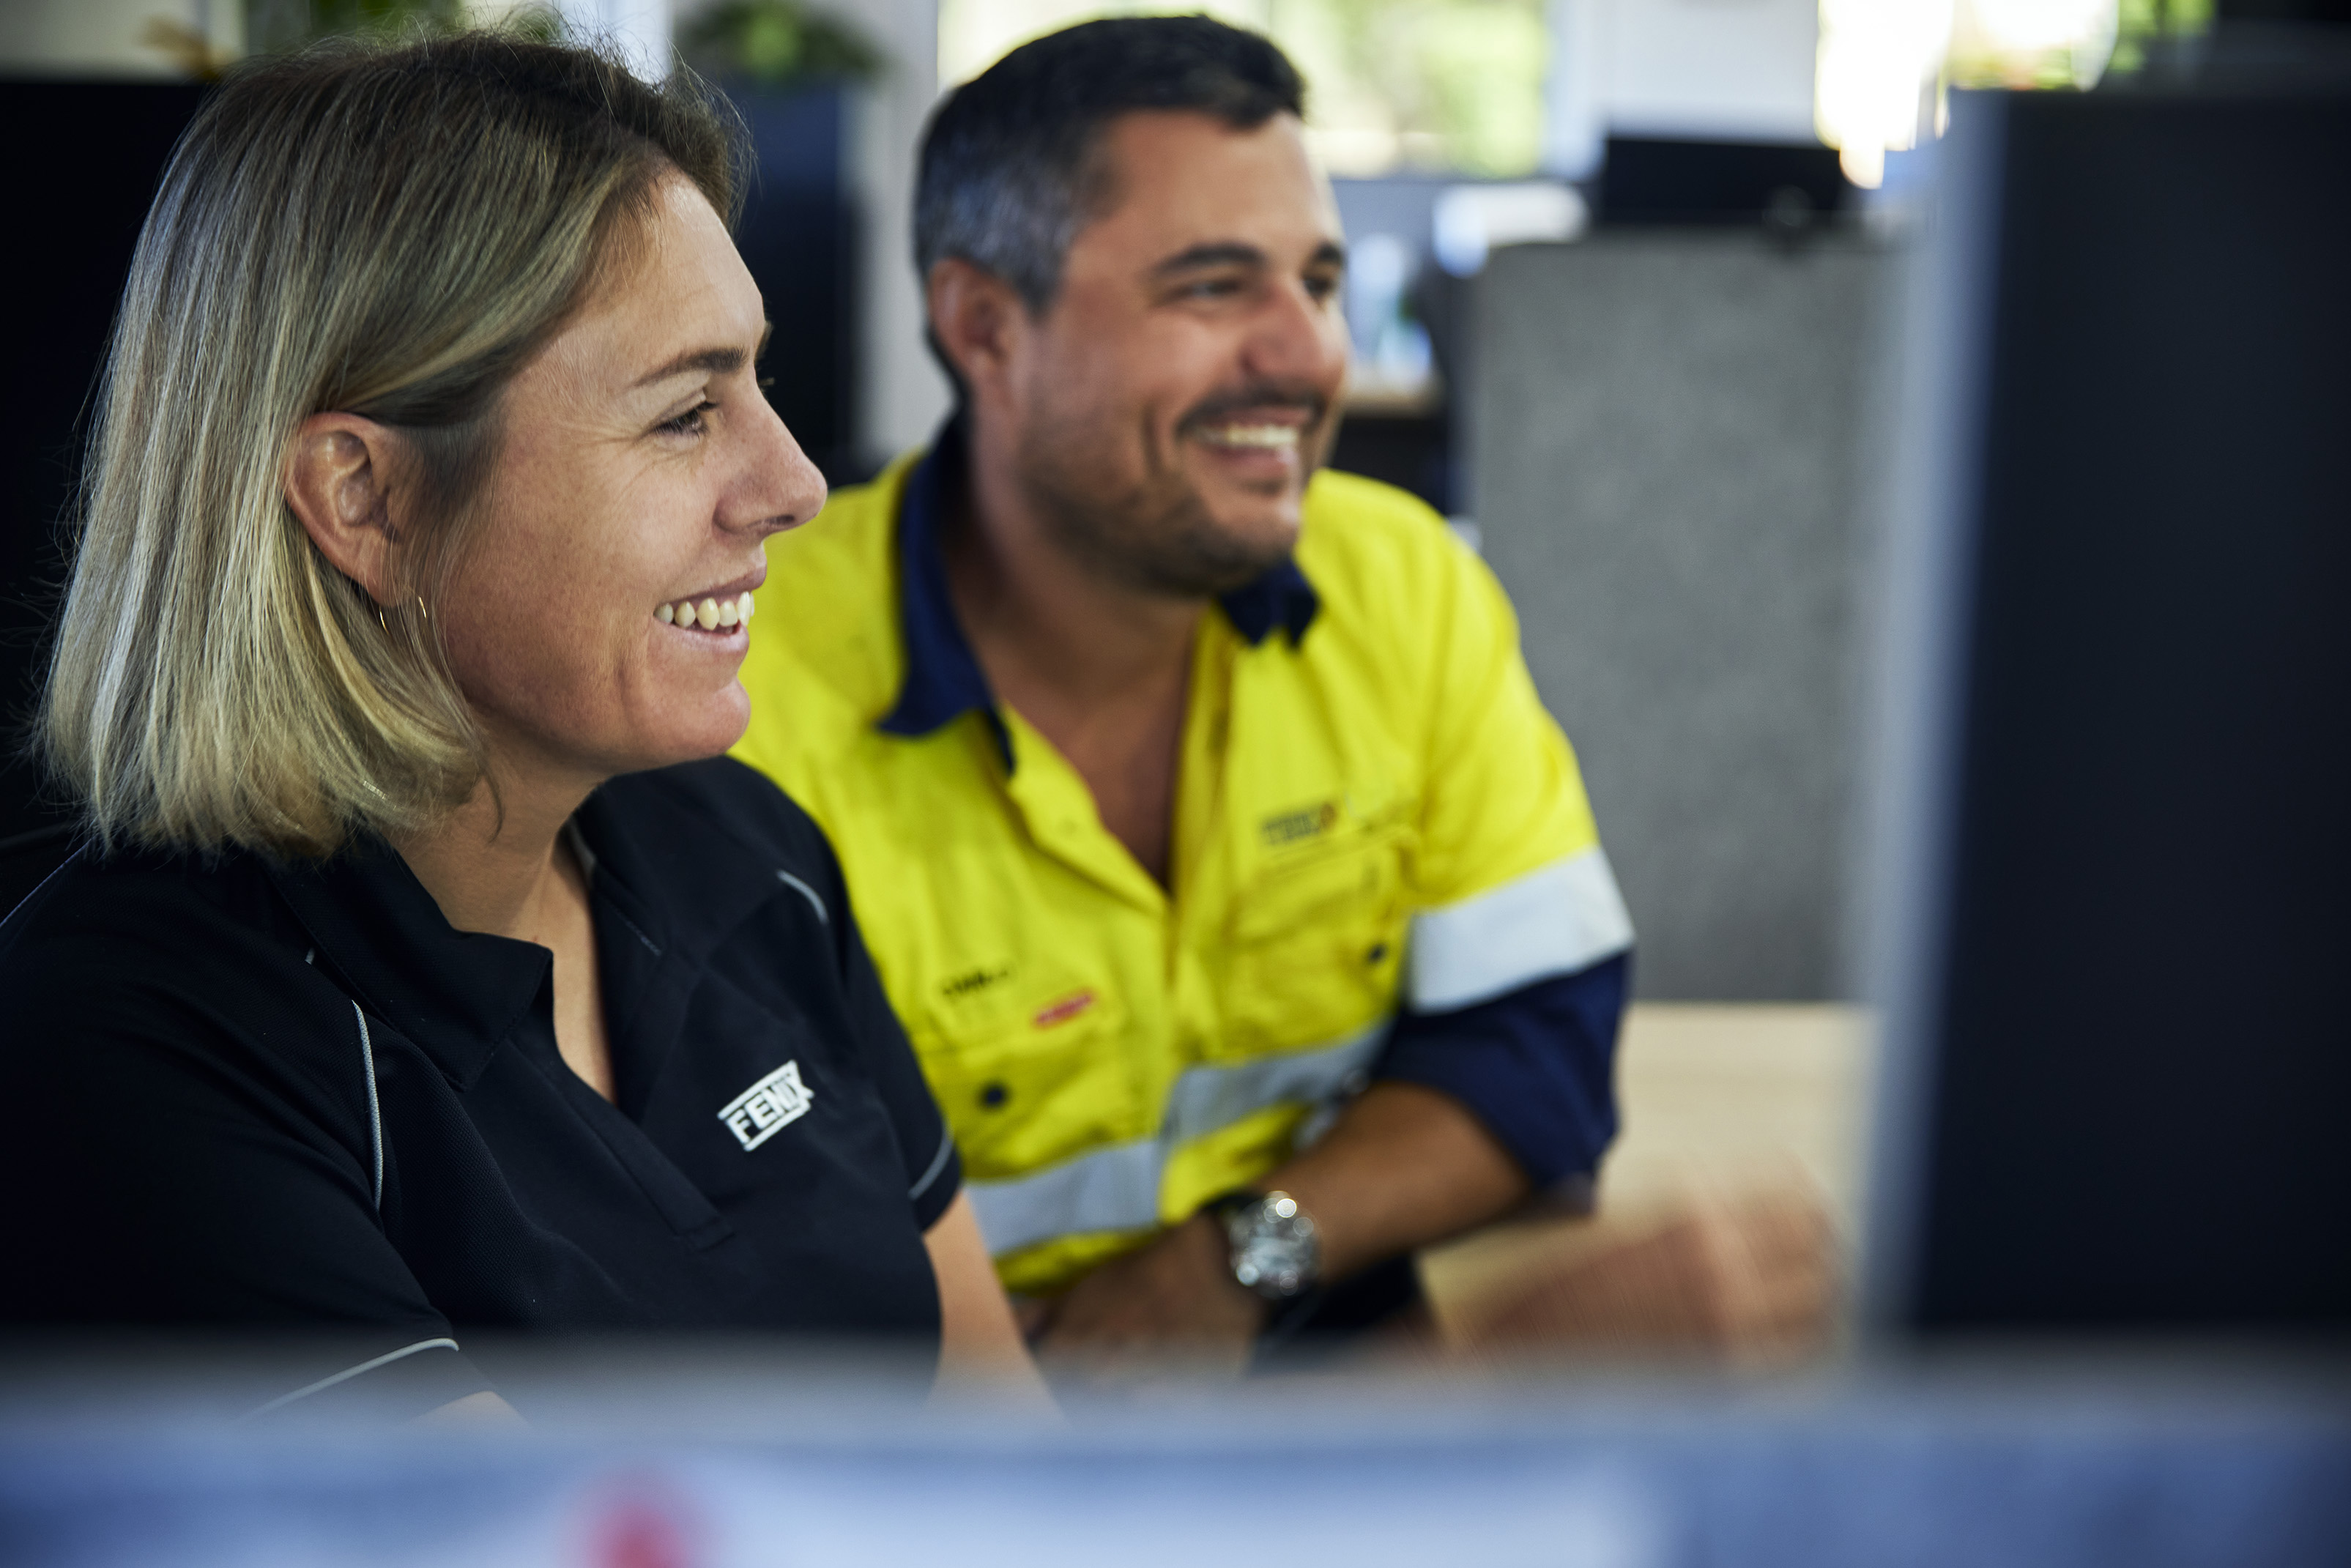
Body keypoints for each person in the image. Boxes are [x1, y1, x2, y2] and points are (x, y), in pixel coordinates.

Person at [731, 16, 1826, 1375]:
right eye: (1212, 287)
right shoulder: (741, 698)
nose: (1305, 354)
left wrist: (1235, 1259)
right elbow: (756, 1285)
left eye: (1318, 281)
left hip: (1299, 1336)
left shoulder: (1398, 583)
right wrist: (1471, 1372)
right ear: (985, 326)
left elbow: (1532, 1044)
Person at [0, 33, 1041, 1421]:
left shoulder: (746, 850)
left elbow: (1003, 1448)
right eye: (686, 413)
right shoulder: (138, 1048)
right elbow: (505, 1522)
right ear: (364, 499)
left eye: (758, 384)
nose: (795, 483)